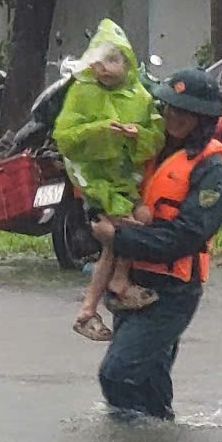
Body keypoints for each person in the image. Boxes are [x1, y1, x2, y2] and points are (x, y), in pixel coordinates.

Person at [89, 68, 222, 421]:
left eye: (182, 112)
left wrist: (120, 237)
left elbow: (185, 236)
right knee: (150, 379)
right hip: (134, 282)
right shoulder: (151, 153)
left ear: (201, 117)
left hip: (173, 290)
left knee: (118, 373)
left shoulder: (212, 167)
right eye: (168, 108)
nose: (172, 117)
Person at [53, 19, 165, 341]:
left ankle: (91, 307)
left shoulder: (139, 96)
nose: (104, 68)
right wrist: (100, 130)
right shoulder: (82, 91)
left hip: (125, 181)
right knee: (126, 231)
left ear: (127, 61)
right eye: (99, 61)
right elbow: (66, 138)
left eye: (113, 60)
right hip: (95, 180)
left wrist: (136, 134)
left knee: (129, 229)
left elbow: (154, 139)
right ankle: (111, 290)